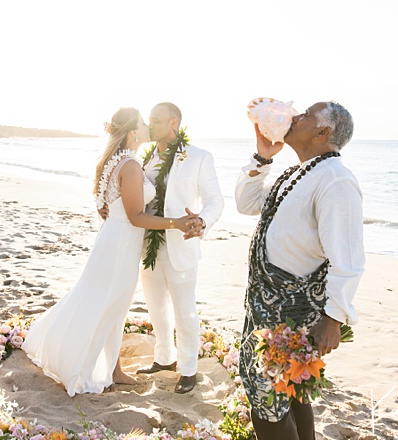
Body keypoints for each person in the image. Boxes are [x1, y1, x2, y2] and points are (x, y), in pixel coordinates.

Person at [22, 107, 198, 396]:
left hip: (114, 242)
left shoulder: (116, 161)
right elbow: (136, 217)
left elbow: (107, 202)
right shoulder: (129, 166)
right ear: (132, 132)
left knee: (110, 305)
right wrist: (175, 223)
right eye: (143, 123)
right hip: (120, 248)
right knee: (109, 305)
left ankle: (114, 369)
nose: (147, 126)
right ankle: (90, 364)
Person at [235, 101, 365, 439]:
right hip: (264, 307)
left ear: (323, 132)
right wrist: (263, 157)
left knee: (266, 399)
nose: (294, 117)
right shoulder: (299, 172)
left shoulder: (336, 180)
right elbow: (247, 204)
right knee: (291, 391)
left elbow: (347, 258)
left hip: (292, 312)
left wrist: (333, 318)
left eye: (305, 115)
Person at [135, 102, 224, 394]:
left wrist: (202, 222)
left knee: (184, 311)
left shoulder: (199, 157)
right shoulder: (145, 157)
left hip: (182, 245)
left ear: (174, 122)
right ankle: (164, 359)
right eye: (149, 120)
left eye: (156, 120)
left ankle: (188, 369)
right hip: (149, 243)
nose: (150, 125)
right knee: (156, 306)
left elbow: (215, 201)